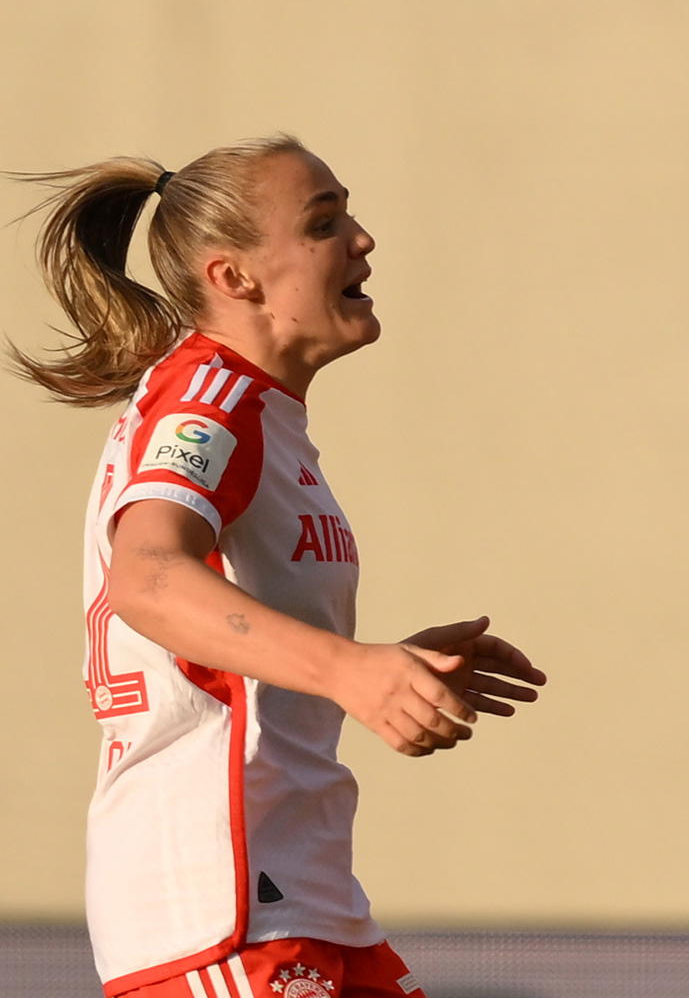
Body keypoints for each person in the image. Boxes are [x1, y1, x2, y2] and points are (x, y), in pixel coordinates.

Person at [8, 137, 547, 998]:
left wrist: (391, 665)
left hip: (303, 898)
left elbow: (223, 659)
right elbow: (145, 578)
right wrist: (348, 670)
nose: (362, 239)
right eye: (323, 223)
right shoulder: (206, 400)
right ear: (235, 278)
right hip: (219, 909)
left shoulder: (258, 410)